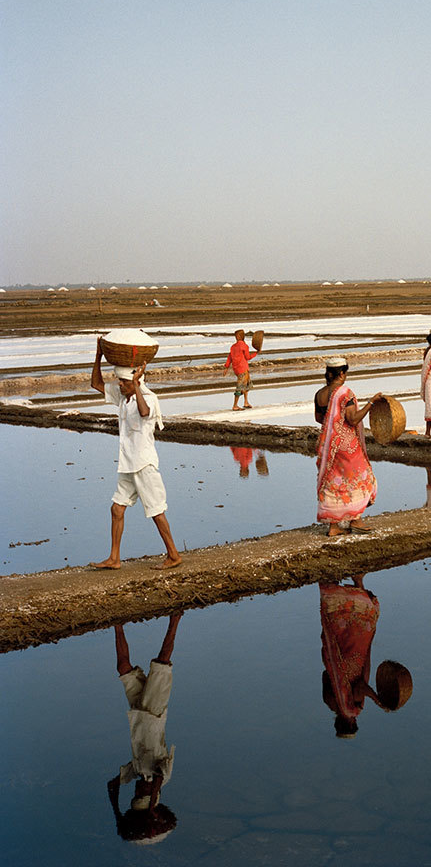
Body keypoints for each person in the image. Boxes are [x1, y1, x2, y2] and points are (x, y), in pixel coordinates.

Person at [90, 342, 181, 570]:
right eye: (120, 381)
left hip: (144, 464)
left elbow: (144, 412)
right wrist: (99, 355)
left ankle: (173, 555)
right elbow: (96, 383)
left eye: (125, 382)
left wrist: (138, 385)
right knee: (117, 509)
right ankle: (114, 558)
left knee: (156, 511)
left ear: (137, 383)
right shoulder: (123, 397)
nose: (120, 385)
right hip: (128, 464)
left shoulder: (148, 398)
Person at [106, 614, 181, 845]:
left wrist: (118, 812)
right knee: (162, 662)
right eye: (141, 793)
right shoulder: (162, 777)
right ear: (152, 796)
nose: (138, 788)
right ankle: (175, 619)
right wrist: (151, 810)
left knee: (123, 668)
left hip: (138, 713)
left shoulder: (137, 771)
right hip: (154, 711)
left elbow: (112, 784)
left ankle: (117, 624)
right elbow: (157, 780)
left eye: (136, 793)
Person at [319, 577, 412, 737]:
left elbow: (359, 688)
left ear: (352, 724)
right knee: (339, 627)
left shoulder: (352, 709)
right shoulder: (330, 702)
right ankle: (332, 583)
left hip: (353, 660)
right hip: (336, 656)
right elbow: (325, 675)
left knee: (360, 627)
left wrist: (377, 700)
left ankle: (358, 581)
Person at [314, 358, 380, 534]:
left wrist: (333, 425)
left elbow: (320, 419)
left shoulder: (320, 394)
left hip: (329, 443)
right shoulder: (345, 393)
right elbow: (352, 419)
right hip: (346, 445)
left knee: (333, 480)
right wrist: (371, 403)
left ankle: (334, 526)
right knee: (359, 477)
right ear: (342, 373)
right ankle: (355, 518)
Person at [224, 329, 257, 410]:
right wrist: (256, 353)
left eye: (236, 336)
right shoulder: (244, 346)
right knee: (240, 387)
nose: (236, 337)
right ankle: (235, 405)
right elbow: (248, 357)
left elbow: (229, 357)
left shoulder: (233, 346)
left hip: (236, 368)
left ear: (240, 336)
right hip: (242, 368)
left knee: (245, 385)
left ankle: (246, 402)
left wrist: (226, 367)